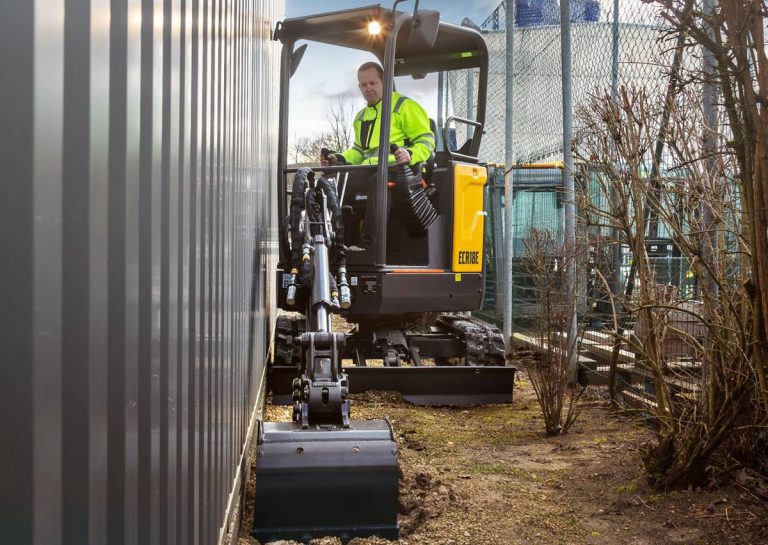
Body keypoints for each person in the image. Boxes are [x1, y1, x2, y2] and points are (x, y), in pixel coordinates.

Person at [321, 62, 435, 167]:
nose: (368, 88)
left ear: (384, 81)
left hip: (398, 170)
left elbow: (426, 139)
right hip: (368, 170)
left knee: (349, 183)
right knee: (330, 180)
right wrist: (339, 158)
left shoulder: (404, 106)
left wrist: (411, 154)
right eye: (364, 85)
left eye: (372, 83)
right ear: (359, 87)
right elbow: (359, 151)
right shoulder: (360, 117)